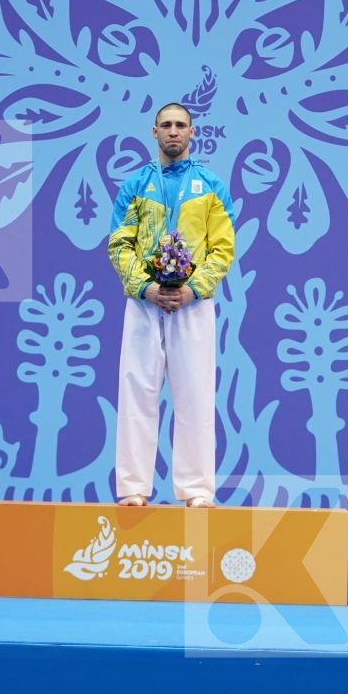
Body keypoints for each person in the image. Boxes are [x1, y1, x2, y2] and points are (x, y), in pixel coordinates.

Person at [107, 102, 237, 507]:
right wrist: (144, 287)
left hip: (193, 306)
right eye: (166, 125)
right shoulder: (134, 186)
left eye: (181, 125)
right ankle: (132, 489)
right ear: (154, 132)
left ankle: (197, 490)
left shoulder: (211, 186)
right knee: (136, 392)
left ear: (193, 132)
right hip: (143, 303)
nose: (174, 132)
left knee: (196, 393)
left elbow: (223, 248)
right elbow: (119, 243)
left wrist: (193, 289)